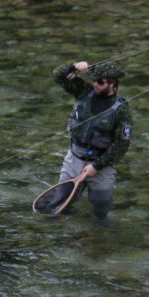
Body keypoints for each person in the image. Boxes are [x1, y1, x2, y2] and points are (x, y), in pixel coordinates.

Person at [49, 60, 132, 223]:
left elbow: (122, 145)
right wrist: (73, 67)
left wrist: (97, 166)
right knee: (58, 204)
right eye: (94, 80)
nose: (95, 84)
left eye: (100, 82)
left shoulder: (121, 110)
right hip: (74, 159)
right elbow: (58, 75)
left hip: (101, 165)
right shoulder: (82, 91)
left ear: (112, 84)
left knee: (102, 209)